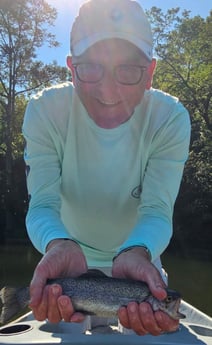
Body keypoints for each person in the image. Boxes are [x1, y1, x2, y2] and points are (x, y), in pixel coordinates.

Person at [22, 0, 191, 336]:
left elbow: (157, 210)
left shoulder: (169, 119)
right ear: (71, 68)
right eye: (91, 68)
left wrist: (136, 251)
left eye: (128, 70)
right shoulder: (44, 112)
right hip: (66, 272)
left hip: (141, 266)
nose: (109, 92)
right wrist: (58, 245)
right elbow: (42, 205)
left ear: (151, 73)